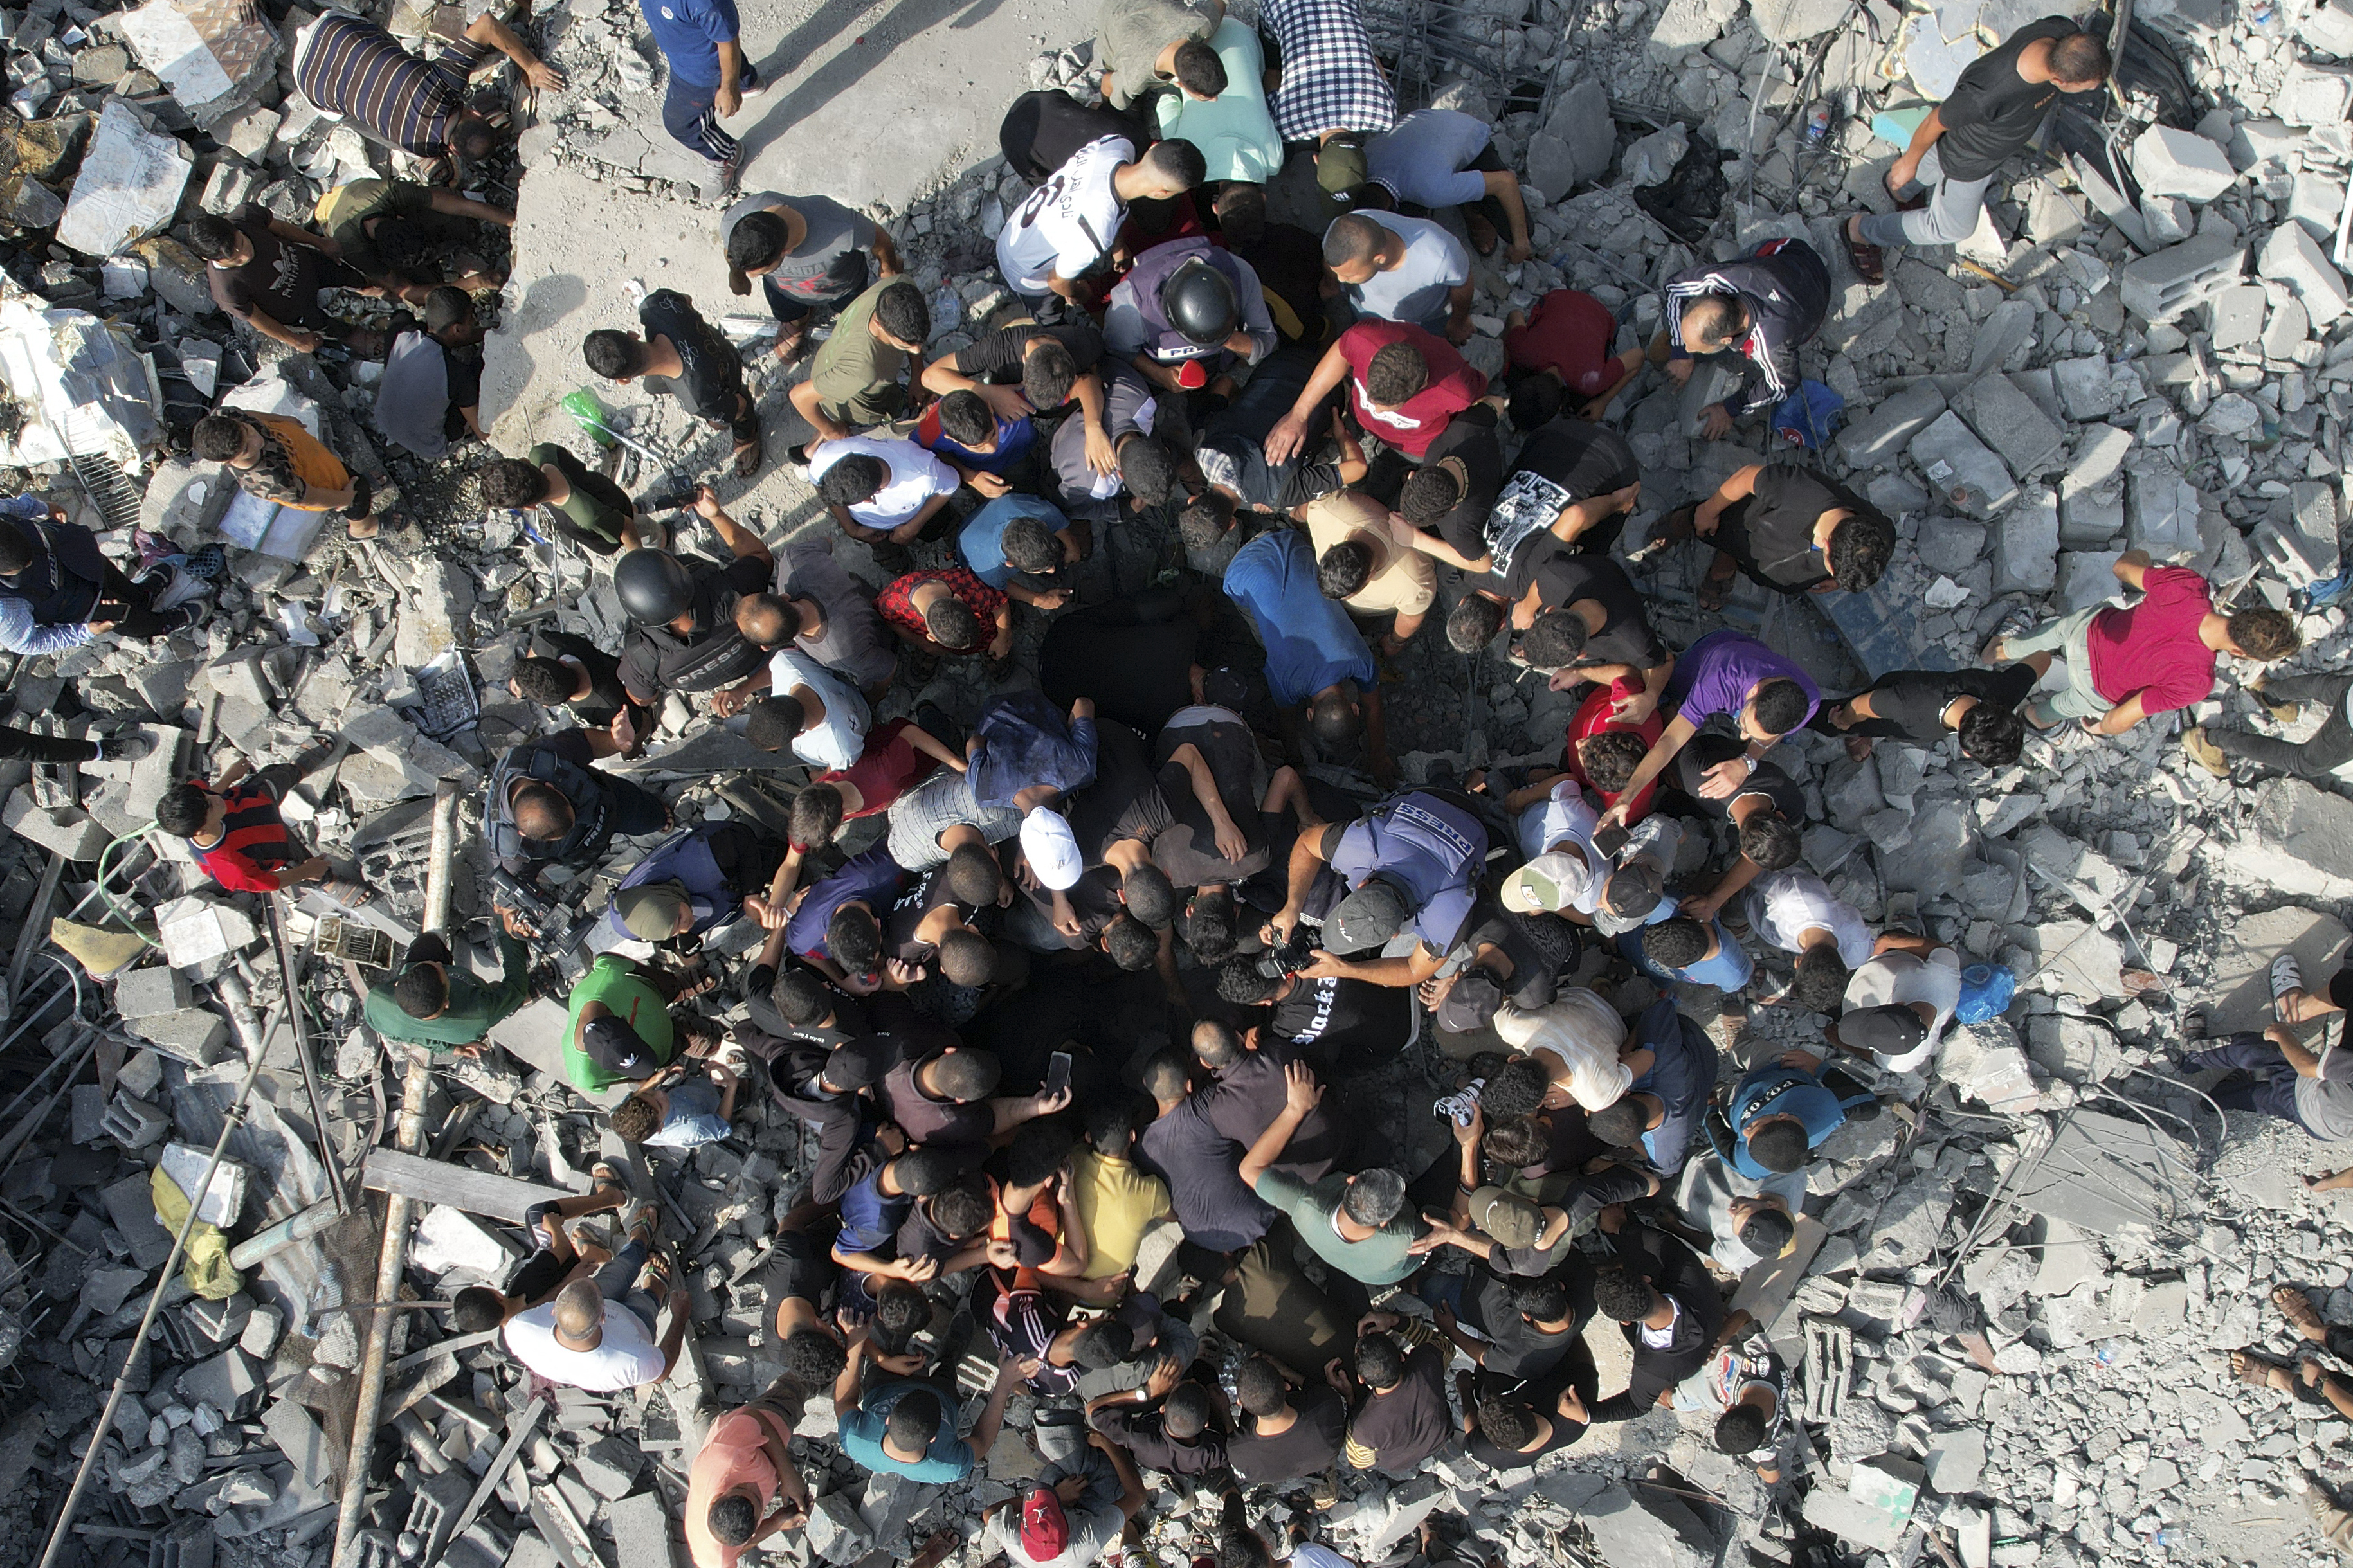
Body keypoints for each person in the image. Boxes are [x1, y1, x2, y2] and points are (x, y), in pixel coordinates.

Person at [1842, 22, 2111, 281]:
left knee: (1931, 164)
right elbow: (1934, 121)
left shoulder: (2062, 33)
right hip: (1970, 160)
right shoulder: (1987, 94)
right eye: (2087, 86)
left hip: (1981, 140)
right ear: (2058, 80)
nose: (2095, 89)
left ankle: (1900, 187)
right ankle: (1863, 231)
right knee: (1951, 227)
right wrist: (1909, 161)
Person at [1983, 550, 2300, 737]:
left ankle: (1997, 652)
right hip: (2097, 689)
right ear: (2240, 652)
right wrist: (2102, 728)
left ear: (2247, 613)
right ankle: (2033, 719)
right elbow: (2123, 716)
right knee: (2064, 708)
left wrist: (2145, 558)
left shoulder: (2190, 587)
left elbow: (2122, 567)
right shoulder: (2196, 682)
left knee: (2052, 634)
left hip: (2087, 634)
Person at [292, 8, 561, 172]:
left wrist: (532, 66)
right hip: (308, 80)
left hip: (334, 28)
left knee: (390, 50)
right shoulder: (417, 144)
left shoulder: (444, 82)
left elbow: (488, 25)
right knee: (355, 118)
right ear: (452, 151)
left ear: (476, 114)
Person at [1599, 631, 1821, 829]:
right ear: (1754, 691)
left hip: (1753, 655)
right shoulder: (1719, 680)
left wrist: (1747, 762)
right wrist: (1626, 797)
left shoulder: (1807, 703)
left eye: (1756, 736)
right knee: (1672, 688)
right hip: (1710, 656)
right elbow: (1670, 743)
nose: (1743, 736)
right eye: (1745, 725)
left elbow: (1774, 736)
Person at [1241, 1062, 1421, 1292]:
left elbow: (1249, 1169)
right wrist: (1468, 1146)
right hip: (1399, 1265)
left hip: (1360, 1267)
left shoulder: (1304, 1206)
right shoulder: (1405, 1236)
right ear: (1387, 1220)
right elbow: (1458, 1221)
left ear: (1351, 1181)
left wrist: (1295, 1109)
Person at [1222, 528, 1388, 777]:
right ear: (1309, 714)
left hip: (1288, 540)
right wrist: (1296, 763)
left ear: (1354, 707)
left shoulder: (1359, 659)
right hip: (1239, 570)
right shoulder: (1284, 681)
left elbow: (1373, 707)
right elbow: (1286, 721)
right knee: (1268, 640)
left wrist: (1296, 760)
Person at [1273, 787, 1485, 977]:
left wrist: (1348, 970)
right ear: (1362, 885)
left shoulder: (1448, 919)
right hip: (1431, 795)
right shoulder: (1361, 848)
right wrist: (1293, 906)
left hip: (1466, 814)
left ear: (1395, 934)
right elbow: (1308, 842)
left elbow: (1415, 970)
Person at [996, 137, 1208, 307]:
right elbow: (1056, 281)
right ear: (1161, 193)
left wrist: (1118, 244)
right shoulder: (1094, 234)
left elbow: (1107, 201)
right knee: (1049, 309)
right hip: (1025, 273)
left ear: (1152, 151)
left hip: (1015, 229)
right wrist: (1080, 293)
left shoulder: (1116, 145)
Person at [616, 489, 776, 712]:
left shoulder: (642, 657)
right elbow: (761, 557)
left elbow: (643, 698)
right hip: (763, 659)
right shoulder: (731, 594)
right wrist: (715, 515)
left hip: (734, 675)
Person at [1656, 237, 1830, 439]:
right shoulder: (1731, 276)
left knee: (1738, 363)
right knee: (1673, 321)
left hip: (1814, 295)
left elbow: (1782, 386)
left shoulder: (1771, 344)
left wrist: (1730, 408)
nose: (1688, 348)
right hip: (1793, 260)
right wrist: (1680, 351)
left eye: (1694, 348)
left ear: (1727, 340)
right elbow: (1674, 288)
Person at [500, 1209, 692, 1391]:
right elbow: (661, 1372)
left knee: (623, 1266)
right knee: (648, 1302)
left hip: (590, 1309)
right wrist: (679, 1317)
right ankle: (654, 1289)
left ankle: (638, 1242)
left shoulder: (519, 1329)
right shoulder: (630, 1360)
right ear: (603, 1316)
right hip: (635, 1326)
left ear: (553, 1309)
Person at [1661, 462, 1896, 608]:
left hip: (1774, 568)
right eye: (1831, 568)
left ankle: (1728, 562)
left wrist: (1837, 581)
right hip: (1747, 526)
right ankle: (1682, 520)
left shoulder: (1882, 537)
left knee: (1746, 563)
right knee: (1709, 527)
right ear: (1827, 544)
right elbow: (1746, 477)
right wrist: (1707, 511)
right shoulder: (1800, 492)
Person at [584, 289, 763, 476]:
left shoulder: (698, 400)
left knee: (721, 421)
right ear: (632, 335)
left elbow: (740, 406)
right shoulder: (653, 306)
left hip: (729, 373)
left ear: (624, 380)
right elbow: (686, 300)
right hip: (717, 347)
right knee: (651, 386)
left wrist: (719, 418)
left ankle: (747, 435)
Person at [1263, 319, 1487, 467]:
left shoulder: (1457, 388)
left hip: (1415, 449)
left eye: (1386, 408)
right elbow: (1341, 351)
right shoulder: (1365, 337)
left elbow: (1477, 404)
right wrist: (1298, 415)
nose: (1374, 410)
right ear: (1373, 360)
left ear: (1422, 386)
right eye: (1371, 398)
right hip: (1357, 421)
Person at [921, 318, 1118, 477]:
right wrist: (989, 392)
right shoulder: (999, 349)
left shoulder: (1088, 347)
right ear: (1025, 360)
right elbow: (930, 376)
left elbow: (1089, 381)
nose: (990, 448)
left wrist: (1093, 427)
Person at [0, 500, 204, 653]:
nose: (31, 564)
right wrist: (86, 632)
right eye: (21, 568)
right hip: (82, 604)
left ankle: (143, 595)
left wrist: (43, 506)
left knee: (118, 583)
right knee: (126, 619)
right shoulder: (4, 611)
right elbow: (29, 643)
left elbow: (12, 506)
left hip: (80, 558)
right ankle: (162, 625)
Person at [723, 192, 905, 360]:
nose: (752, 277)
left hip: (844, 288)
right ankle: (797, 320)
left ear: (786, 252)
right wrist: (737, 276)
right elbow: (730, 250)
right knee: (786, 309)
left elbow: (879, 239)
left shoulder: (841, 229)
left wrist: (888, 267)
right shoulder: (737, 219)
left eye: (760, 272)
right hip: (784, 291)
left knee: (854, 314)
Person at [1135, 1050, 1277, 1256]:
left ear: (1146, 1085)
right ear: (1189, 1085)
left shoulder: (1141, 1148)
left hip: (1205, 1239)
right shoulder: (1205, 1106)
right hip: (1259, 1216)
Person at [185, 208, 378, 358]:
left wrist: (319, 242)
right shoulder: (226, 290)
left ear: (232, 226)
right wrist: (296, 341)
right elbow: (258, 319)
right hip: (295, 309)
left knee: (343, 274)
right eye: (236, 260)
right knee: (324, 324)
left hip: (307, 263)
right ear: (209, 258)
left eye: (243, 243)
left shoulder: (245, 216)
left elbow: (282, 228)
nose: (245, 255)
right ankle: (353, 335)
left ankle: (367, 286)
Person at [154, 750, 350, 897]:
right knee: (303, 867)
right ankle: (327, 881)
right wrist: (306, 871)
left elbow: (212, 793)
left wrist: (229, 778)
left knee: (278, 776)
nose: (214, 799)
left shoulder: (197, 801)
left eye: (204, 795)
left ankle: (297, 770)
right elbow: (271, 882)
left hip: (255, 799)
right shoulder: (231, 868)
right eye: (209, 806)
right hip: (271, 849)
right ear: (201, 830)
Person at [1585, 1219, 1727, 1421]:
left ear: (1626, 1321)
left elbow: (1636, 1406)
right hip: (1702, 1328)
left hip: (1688, 1353)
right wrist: (1621, 1225)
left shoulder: (1652, 1369)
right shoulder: (1689, 1272)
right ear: (1646, 1280)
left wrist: (1586, 1416)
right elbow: (1663, 1243)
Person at [486, 729, 671, 883]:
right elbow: (507, 879)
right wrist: (508, 910)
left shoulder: (538, 757)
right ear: (524, 834)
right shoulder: (508, 845)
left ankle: (657, 817)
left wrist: (615, 742)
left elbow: (583, 742)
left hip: (606, 802)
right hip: (579, 853)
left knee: (651, 818)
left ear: (552, 787)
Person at [1102, 235, 1279, 393]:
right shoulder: (1131, 306)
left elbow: (1268, 340)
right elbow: (1119, 349)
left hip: (1220, 367)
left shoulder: (1241, 275)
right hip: (1158, 377)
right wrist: (1159, 375)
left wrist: (1229, 339)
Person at [1363, 107, 1532, 260]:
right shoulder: (1364, 161)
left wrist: (1521, 243)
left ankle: (1474, 209)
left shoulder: (1431, 190)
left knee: (1518, 230)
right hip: (1428, 121)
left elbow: (1506, 182)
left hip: (1467, 133)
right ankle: (1460, 185)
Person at [1258, 0, 1397, 185]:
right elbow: (1273, 76)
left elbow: (1376, 63)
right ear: (1316, 159)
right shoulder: (1287, 126)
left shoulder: (1385, 115)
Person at [311, 176, 511, 301]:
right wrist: (475, 282)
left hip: (353, 192)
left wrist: (514, 222)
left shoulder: (389, 193)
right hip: (328, 217)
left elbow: (463, 205)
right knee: (429, 290)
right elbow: (405, 290)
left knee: (452, 210)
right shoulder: (354, 249)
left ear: (401, 217)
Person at [366, 911, 534, 1058]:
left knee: (428, 943)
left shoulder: (377, 1002)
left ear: (397, 985)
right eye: (443, 972)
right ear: (446, 1002)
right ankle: (521, 1000)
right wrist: (508, 931)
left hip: (452, 1023)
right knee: (506, 994)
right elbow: (516, 984)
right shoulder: (478, 1015)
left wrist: (448, 1048)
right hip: (471, 1011)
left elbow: (403, 1036)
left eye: (435, 965)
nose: (440, 964)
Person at [192, 411, 380, 541]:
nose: (257, 440)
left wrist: (282, 419)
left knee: (342, 470)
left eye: (247, 430)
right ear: (229, 461)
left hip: (308, 457)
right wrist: (346, 498)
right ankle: (362, 529)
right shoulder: (270, 481)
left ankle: (358, 493)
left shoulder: (224, 416)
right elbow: (311, 497)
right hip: (318, 484)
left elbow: (251, 416)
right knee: (359, 491)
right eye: (247, 449)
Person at [1584, 997, 1720, 1176]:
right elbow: (1663, 1006)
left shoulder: (1668, 1143)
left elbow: (1668, 1169)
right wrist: (1626, 1053)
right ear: (1624, 1092)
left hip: (1706, 1069)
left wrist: (1630, 1137)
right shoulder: (1657, 1053)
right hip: (1697, 1048)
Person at [606, 818, 792, 950]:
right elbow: (661, 926)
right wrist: (676, 947)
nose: (686, 928)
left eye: (679, 919)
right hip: (714, 890)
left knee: (783, 862)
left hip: (720, 852)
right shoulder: (632, 925)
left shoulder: (698, 865)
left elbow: (741, 836)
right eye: (673, 931)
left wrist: (752, 894)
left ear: (667, 900)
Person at [838, 1356, 1025, 1484]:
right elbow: (983, 1441)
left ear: (888, 1420)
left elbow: (843, 1400)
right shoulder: (950, 1465)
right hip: (941, 1390)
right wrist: (1004, 1383)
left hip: (884, 1383)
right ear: (933, 1438)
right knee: (946, 1374)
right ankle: (947, 1358)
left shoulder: (855, 1438)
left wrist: (857, 1342)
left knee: (878, 1363)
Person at [788, 279, 931, 444]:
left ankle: (814, 443)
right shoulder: (862, 370)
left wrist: (917, 374)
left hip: (830, 363)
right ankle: (905, 417)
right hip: (857, 406)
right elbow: (799, 397)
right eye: (904, 345)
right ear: (879, 324)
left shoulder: (898, 286)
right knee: (895, 406)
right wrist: (831, 430)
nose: (916, 350)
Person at [1809, 663, 2035, 765]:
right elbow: (1863, 705)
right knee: (1832, 721)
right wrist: (1845, 720)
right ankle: (1808, 716)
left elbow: (2040, 661)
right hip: (1886, 699)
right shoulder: (1907, 707)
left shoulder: (2004, 693)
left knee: (1876, 723)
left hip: (1908, 695)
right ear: (1966, 752)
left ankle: (1861, 731)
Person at [640, 0, 761, 188]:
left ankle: (725, 155)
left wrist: (728, 89)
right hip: (688, 48)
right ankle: (746, 80)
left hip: (698, 74)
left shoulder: (705, 3)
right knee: (710, 35)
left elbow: (728, 43)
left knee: (682, 126)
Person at [1301, 490, 1437, 651]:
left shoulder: (1414, 583)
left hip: (1368, 613)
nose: (1341, 601)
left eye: (1348, 596)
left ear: (1370, 576)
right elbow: (1303, 510)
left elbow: (1412, 616)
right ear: (1330, 548)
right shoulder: (1326, 509)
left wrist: (1395, 642)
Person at [979, 1437, 1146, 1568]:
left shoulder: (1012, 1539)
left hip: (1060, 1493)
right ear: (1064, 1521)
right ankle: (1058, 1457)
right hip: (1089, 1512)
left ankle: (1050, 1458)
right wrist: (1107, 1444)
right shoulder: (1084, 1542)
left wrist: (1056, 1494)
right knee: (1117, 1486)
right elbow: (1138, 1496)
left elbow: (989, 1514)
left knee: (1050, 1428)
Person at [1152, 15, 1282, 183]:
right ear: (1215, 206)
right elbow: (1167, 100)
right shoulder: (1184, 149)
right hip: (1185, 47)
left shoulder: (1274, 160)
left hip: (1240, 33)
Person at [767, 536, 900, 694]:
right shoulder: (794, 559)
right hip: (877, 599)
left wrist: (874, 698)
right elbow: (827, 543)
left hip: (888, 635)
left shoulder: (840, 655)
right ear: (783, 597)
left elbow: (887, 667)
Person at [1723, 1046, 1879, 1180]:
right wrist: (1820, 1068)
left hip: (1734, 1101)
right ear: (1782, 1116)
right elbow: (1870, 1106)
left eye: (1749, 1138)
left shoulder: (1751, 1164)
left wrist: (1710, 1110)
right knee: (1750, 1048)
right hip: (1778, 1067)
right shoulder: (1825, 1109)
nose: (1744, 1131)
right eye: (1755, 1126)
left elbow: (1724, 1147)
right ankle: (1740, 1042)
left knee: (1723, 1096)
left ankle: (1723, 1087)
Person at [1739, 865, 1875, 1013]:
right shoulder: (1791, 900)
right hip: (1753, 901)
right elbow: (1753, 871)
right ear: (1797, 962)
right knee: (1733, 917)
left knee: (1761, 941)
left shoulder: (1858, 952)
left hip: (1775, 933)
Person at [1823, 934, 1963, 1076]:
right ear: (1899, 1003)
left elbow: (1874, 1057)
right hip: (1877, 959)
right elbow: (1940, 950)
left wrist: (1841, 1041)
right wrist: (1882, 944)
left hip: (1846, 1003)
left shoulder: (1901, 1062)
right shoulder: (1942, 977)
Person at [1069, 1096, 1175, 1283]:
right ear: (1132, 1136)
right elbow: (1173, 1217)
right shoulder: (1149, 1192)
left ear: (1088, 1137)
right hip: (1110, 1291)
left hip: (1068, 1276)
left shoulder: (1075, 1161)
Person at [1321, 213, 1472, 341]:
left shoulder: (1438, 256)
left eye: (1349, 275)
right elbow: (1332, 261)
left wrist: (1458, 322)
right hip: (1366, 311)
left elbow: (1462, 284)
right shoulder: (1344, 228)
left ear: (1379, 259)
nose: (1341, 279)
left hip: (1425, 320)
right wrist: (1331, 284)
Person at [509, 628, 655, 759]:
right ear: (562, 663)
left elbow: (642, 723)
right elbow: (536, 647)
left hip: (623, 692)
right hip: (606, 668)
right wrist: (523, 678)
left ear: (547, 704)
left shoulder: (613, 706)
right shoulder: (555, 645)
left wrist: (630, 747)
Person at [376, 287, 486, 460]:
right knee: (480, 367)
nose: (474, 322)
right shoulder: (456, 374)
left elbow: (401, 316)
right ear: (457, 329)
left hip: (383, 422)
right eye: (471, 320)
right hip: (433, 445)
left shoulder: (402, 331)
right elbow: (482, 431)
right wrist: (489, 335)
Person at [480, 447, 644, 558]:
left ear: (530, 506)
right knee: (619, 514)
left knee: (644, 529)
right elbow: (571, 460)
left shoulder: (586, 516)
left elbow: (627, 529)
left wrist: (639, 559)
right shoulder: (541, 453)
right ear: (525, 462)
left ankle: (663, 535)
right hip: (605, 493)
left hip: (614, 528)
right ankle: (634, 510)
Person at [563, 952, 691, 1094]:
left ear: (625, 1019)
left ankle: (678, 990)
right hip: (664, 1048)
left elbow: (606, 958)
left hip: (653, 995)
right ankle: (683, 1034)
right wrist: (638, 1080)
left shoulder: (605, 980)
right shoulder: (583, 1076)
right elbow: (602, 1083)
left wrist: (661, 978)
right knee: (668, 1052)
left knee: (672, 985)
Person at [1505, 289, 1640, 422]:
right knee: (1513, 371)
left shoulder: (1591, 381)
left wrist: (1602, 402)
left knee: (1582, 402)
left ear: (1559, 408)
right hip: (1558, 298)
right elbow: (1515, 315)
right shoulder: (1522, 352)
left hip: (1599, 313)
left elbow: (1639, 356)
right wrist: (1507, 363)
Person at [1338, 1319, 1453, 1475]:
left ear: (1361, 1379)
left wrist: (1350, 1398)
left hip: (1399, 1463)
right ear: (1401, 1357)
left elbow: (1360, 1461)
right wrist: (1397, 1321)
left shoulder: (1363, 1428)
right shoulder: (1427, 1361)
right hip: (1440, 1437)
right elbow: (1448, 1348)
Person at [807, 436, 961, 552]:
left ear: (868, 500)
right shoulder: (828, 457)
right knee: (886, 548)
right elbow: (816, 479)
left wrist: (913, 527)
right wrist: (851, 528)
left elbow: (952, 483)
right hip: (866, 527)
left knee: (935, 528)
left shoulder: (925, 475)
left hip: (914, 516)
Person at [1227, 1355, 1347, 1484]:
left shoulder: (1240, 1456)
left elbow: (1234, 1438)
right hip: (1322, 1455)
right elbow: (1337, 1400)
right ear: (1286, 1386)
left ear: (1240, 1402)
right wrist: (1288, 1372)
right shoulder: (1326, 1408)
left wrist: (1223, 1411)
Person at [958, 493, 1086, 608]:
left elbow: (1056, 521)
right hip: (971, 546)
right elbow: (1002, 586)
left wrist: (1072, 547)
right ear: (1010, 564)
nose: (1051, 569)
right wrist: (1037, 600)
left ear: (1042, 524)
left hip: (990, 517)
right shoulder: (990, 571)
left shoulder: (1036, 510)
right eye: (1042, 569)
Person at [1094, 0, 1225, 110]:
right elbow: (1107, 82)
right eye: (1207, 97)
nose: (1215, 100)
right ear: (1180, 83)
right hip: (1112, 14)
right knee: (1113, 73)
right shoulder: (1134, 78)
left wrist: (1204, 39)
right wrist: (1108, 108)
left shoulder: (1202, 24)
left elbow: (1220, 4)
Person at [876, 564, 1013, 662]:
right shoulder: (891, 604)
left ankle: (992, 649)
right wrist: (923, 644)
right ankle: (990, 653)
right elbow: (889, 619)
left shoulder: (970, 585)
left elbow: (1000, 603)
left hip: (987, 628)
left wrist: (1003, 637)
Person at [922, 391, 1039, 498]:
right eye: (978, 446)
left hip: (1024, 451)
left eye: (993, 434)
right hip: (985, 475)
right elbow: (926, 457)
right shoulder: (929, 435)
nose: (992, 448)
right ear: (952, 439)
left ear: (990, 408)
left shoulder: (1008, 398)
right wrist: (969, 476)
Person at [613, 1054, 740, 1149]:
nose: (660, 1093)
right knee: (739, 1096)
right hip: (714, 1104)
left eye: (648, 1093)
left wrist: (659, 1077)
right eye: (659, 1104)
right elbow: (721, 1125)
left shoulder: (619, 1114)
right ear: (660, 1127)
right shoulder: (691, 1129)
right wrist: (732, 1085)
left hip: (690, 1089)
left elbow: (636, 1095)